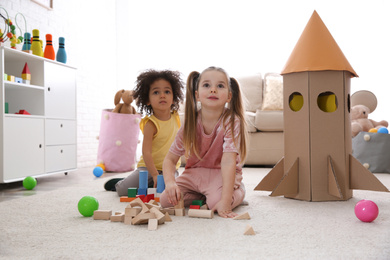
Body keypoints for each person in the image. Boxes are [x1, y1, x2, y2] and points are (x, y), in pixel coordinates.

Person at [160, 66, 248, 218]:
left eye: (220, 86)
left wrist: (226, 202)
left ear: (228, 96)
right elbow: (170, 159)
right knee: (166, 200)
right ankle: (206, 194)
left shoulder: (232, 121)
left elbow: (228, 162)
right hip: (194, 173)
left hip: (222, 174)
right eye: (207, 85)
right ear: (197, 95)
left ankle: (238, 190)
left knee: (217, 204)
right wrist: (170, 183)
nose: (213, 89)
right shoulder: (190, 123)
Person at [104, 69, 184, 196]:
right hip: (147, 168)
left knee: (173, 191)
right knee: (123, 191)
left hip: (169, 168)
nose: (162, 95)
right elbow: (146, 152)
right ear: (148, 100)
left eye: (167, 91)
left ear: (174, 98)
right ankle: (120, 182)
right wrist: (154, 174)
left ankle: (150, 184)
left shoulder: (176, 117)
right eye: (156, 92)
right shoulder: (150, 123)